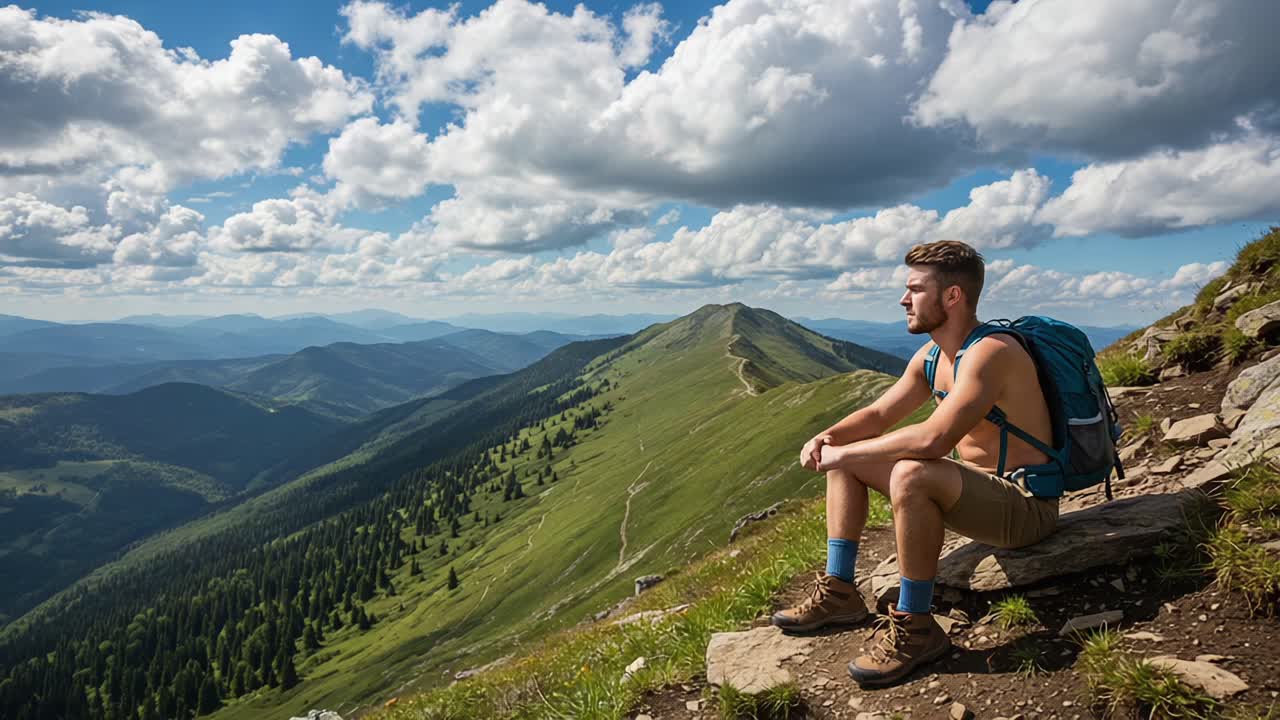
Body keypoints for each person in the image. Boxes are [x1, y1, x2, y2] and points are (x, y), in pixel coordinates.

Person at [772, 240, 1059, 687]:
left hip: (1024, 508)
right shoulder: (931, 356)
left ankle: (917, 627)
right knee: (850, 458)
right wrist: (827, 438)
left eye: (915, 289)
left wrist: (846, 451)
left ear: (953, 296)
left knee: (909, 469)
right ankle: (840, 592)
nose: (904, 299)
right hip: (974, 495)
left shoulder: (991, 352)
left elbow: (934, 438)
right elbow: (879, 415)